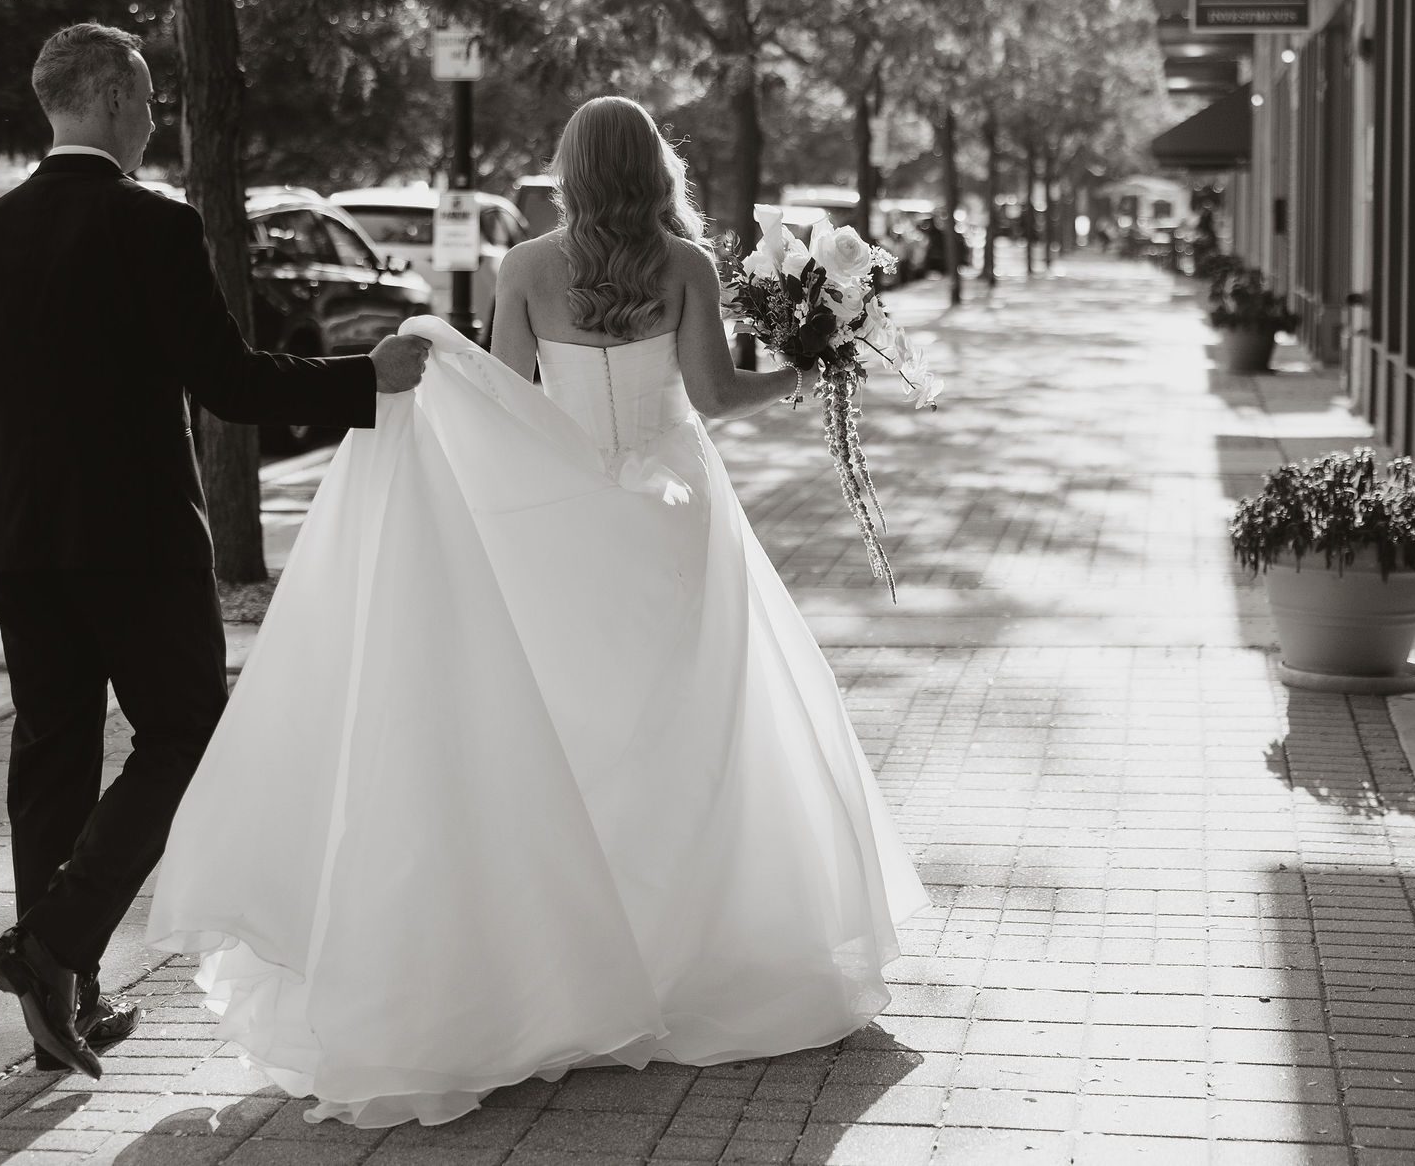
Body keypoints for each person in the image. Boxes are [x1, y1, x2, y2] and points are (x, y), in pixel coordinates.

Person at [146, 96, 927, 1126]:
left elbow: (502, 399)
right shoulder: (685, 266)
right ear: (653, 168)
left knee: (565, 727)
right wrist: (807, 365)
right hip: (676, 516)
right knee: (693, 731)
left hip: (559, 516)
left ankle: (568, 956)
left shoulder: (524, 268)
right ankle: (680, 952)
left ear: (567, 169)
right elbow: (713, 394)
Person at [0, 23, 430, 1077]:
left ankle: (60, 990)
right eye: (150, 99)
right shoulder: (149, 225)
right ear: (110, 96)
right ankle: (54, 947)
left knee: (50, 758)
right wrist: (362, 380)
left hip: (16, 541)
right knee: (188, 733)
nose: (158, 117)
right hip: (134, 540)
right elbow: (231, 384)